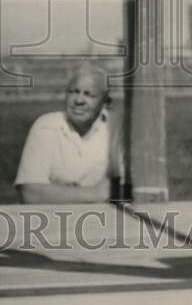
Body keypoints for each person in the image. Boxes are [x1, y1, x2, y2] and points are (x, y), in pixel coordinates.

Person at [14, 63, 121, 204]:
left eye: (89, 94)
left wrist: (59, 192)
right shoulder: (46, 126)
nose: (79, 100)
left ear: (105, 102)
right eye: (73, 91)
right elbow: (30, 193)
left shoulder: (116, 128)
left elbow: (125, 190)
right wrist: (95, 193)